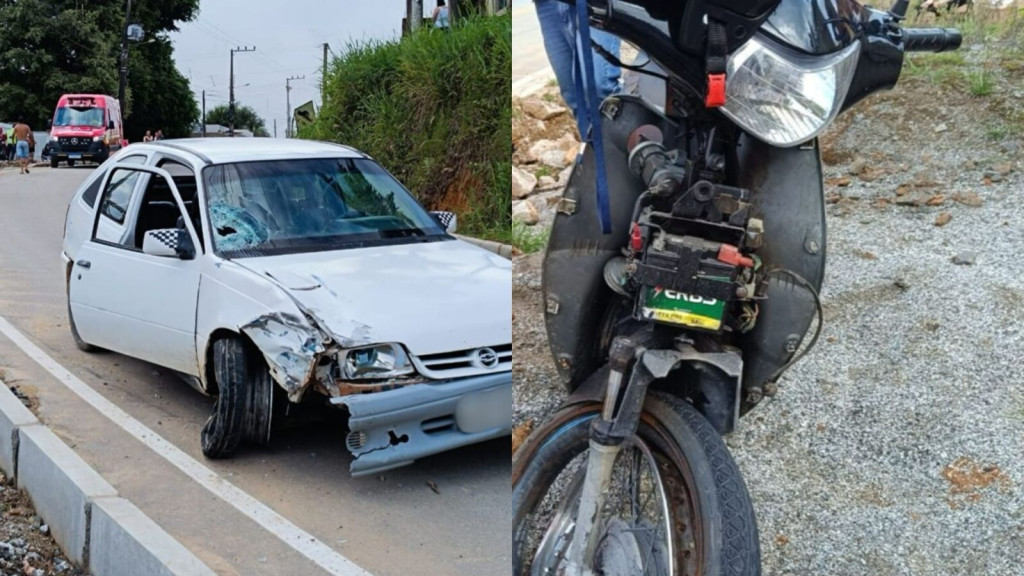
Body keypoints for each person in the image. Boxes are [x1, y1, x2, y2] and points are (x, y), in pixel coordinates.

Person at [533, 0, 621, 132]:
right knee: (574, 96)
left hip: (590, 3)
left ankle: (634, 144)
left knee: (599, 85)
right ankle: (596, 148)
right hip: (547, 5)